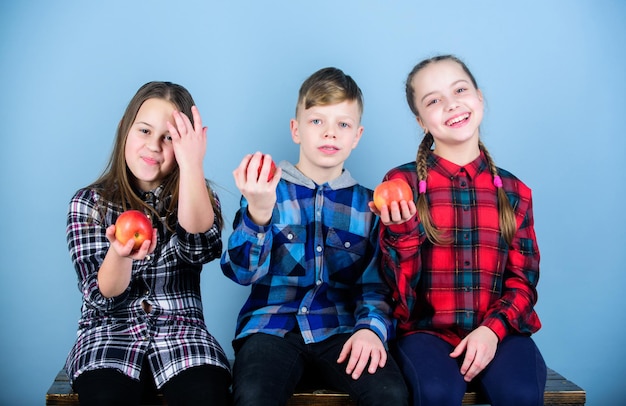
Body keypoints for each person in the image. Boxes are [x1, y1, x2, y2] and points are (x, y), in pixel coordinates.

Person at [221, 67, 408, 406]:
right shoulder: (265, 189)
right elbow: (240, 272)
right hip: (271, 328)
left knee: (390, 394)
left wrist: (371, 328)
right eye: (317, 121)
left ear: (357, 136)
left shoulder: (368, 206)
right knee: (252, 396)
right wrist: (259, 212)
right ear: (296, 130)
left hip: (342, 331)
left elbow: (376, 286)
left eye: (343, 124)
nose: (330, 134)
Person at [370, 55, 547, 406]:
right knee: (435, 392)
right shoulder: (401, 183)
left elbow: (523, 283)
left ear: (479, 98)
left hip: (501, 331)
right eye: (433, 100)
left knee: (521, 394)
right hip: (426, 333)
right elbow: (397, 292)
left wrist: (491, 330)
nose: (451, 104)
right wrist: (401, 233)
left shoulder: (515, 192)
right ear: (421, 121)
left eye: (460, 90)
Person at [65, 81, 231, 406]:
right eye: (144, 131)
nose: (154, 146)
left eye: (169, 138)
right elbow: (103, 295)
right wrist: (120, 254)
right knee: (105, 397)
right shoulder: (88, 204)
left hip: (182, 334)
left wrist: (192, 165)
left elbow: (200, 246)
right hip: (109, 335)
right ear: (124, 130)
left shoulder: (197, 196)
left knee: (206, 395)